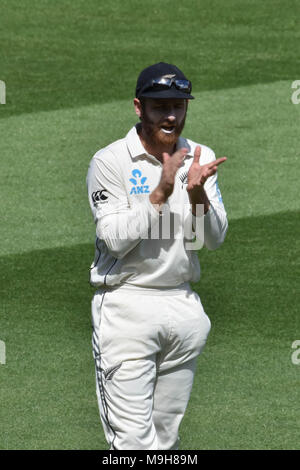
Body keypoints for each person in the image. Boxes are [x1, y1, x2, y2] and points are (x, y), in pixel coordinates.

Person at [86, 62, 228, 450]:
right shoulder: (110, 161)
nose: (170, 116)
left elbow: (211, 240)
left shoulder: (199, 156)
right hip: (126, 308)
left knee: (165, 441)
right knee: (132, 444)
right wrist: (160, 193)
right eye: (159, 106)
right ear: (138, 106)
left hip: (182, 307)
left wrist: (197, 194)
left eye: (178, 106)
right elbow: (114, 240)